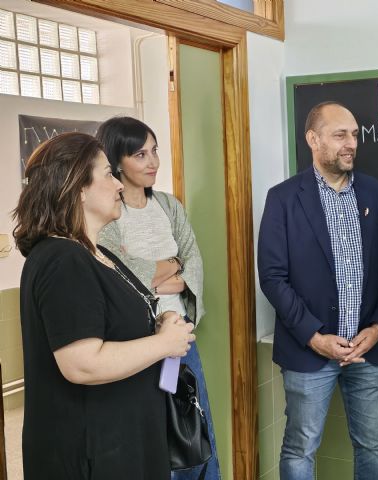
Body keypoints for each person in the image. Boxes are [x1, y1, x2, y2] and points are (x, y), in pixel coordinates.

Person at [13, 132, 195, 480]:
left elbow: (112, 327)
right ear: (78, 187)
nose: (119, 185)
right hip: (92, 453)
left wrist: (159, 325)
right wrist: (163, 344)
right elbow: (81, 364)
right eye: (109, 174)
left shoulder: (95, 253)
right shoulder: (62, 259)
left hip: (125, 441)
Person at [258, 101, 378, 479]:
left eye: (354, 135)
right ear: (313, 139)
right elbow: (273, 277)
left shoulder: (375, 194)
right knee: (299, 450)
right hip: (309, 354)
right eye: (340, 134)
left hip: (367, 352)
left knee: (372, 445)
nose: (350, 143)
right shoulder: (284, 198)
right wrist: (314, 336)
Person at [96, 116, 221, 480]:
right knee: (156, 437)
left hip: (180, 342)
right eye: (140, 155)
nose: (152, 163)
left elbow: (192, 262)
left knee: (195, 431)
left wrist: (167, 274)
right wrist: (169, 269)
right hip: (137, 344)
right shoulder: (109, 212)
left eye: (155, 152)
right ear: (117, 161)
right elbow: (119, 271)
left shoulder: (168, 205)